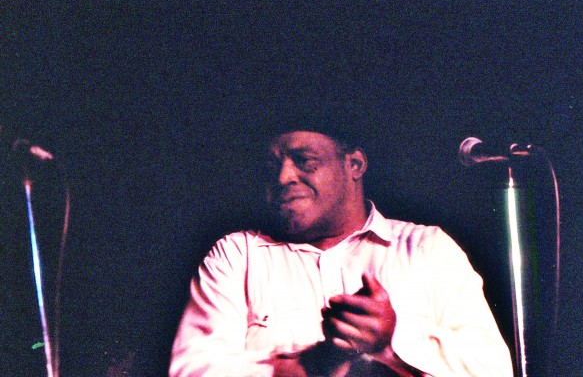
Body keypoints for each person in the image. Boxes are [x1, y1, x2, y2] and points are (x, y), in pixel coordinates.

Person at [169, 127, 513, 376]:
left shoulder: (427, 248)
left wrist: (390, 345)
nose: (284, 176)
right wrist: (315, 363)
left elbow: (491, 370)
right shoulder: (237, 256)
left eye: (304, 161)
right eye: (273, 166)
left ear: (355, 165)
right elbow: (193, 370)